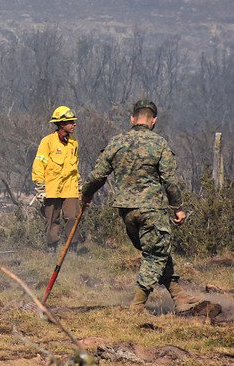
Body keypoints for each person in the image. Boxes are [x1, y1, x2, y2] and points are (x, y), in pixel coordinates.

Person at [80, 99, 218, 318]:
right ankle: (136, 308)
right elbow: (170, 181)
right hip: (151, 210)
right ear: (154, 120)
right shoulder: (159, 144)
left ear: (132, 119)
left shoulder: (117, 142)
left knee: (159, 250)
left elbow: (98, 175)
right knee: (155, 255)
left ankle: (178, 295)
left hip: (127, 213)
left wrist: (86, 194)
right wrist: (178, 208)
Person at [31, 106, 82, 252]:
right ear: (61, 124)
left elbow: (75, 166)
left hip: (70, 188)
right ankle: (51, 248)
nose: (74, 124)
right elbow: (39, 164)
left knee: (73, 218)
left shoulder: (74, 143)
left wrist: (79, 185)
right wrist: (40, 187)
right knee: (52, 220)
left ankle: (72, 248)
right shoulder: (47, 142)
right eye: (70, 122)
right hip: (52, 189)